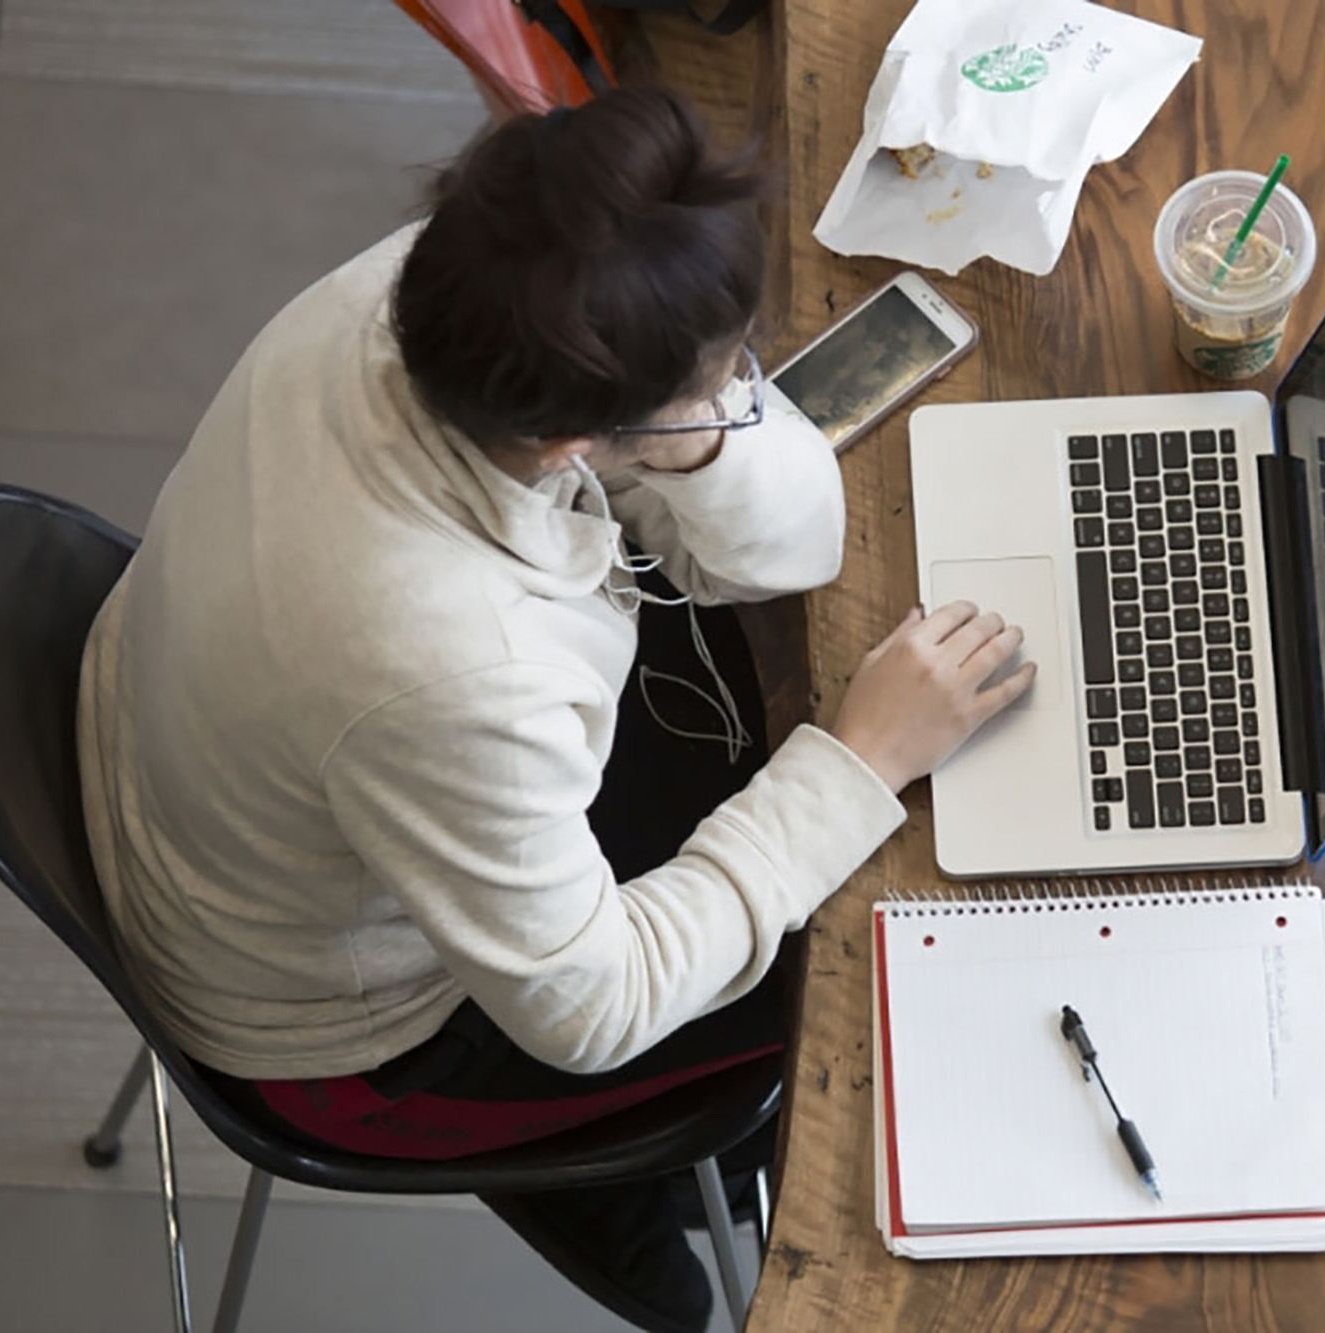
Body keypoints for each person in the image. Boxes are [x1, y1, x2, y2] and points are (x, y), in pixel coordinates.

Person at [75, 86, 1034, 1333]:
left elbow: (784, 549)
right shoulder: (448, 667)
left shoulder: (436, 287)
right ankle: (622, 1213)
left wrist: (688, 429)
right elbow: (593, 1005)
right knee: (874, 966)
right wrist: (860, 759)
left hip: (226, 771)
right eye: (722, 379)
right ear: (574, 433)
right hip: (342, 1033)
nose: (738, 392)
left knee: (765, 755)